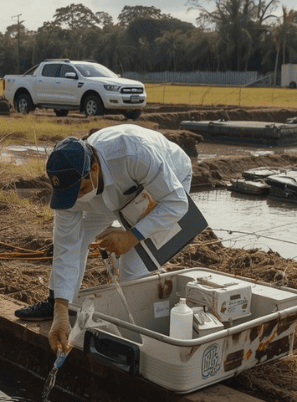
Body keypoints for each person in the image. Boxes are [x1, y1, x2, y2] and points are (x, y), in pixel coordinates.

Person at [14, 124, 193, 355]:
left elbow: (176, 202)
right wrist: (60, 311)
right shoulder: (69, 193)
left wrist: (133, 236)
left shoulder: (133, 153)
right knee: (77, 239)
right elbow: (66, 247)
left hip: (166, 186)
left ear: (95, 168)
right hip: (112, 198)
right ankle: (57, 302)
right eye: (70, 195)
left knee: (132, 271)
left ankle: (142, 339)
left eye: (81, 190)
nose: (77, 199)